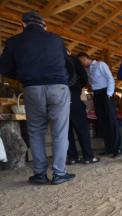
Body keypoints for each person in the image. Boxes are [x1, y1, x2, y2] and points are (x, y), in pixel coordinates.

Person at [0, 11, 75, 185]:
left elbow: (3, 67)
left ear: (23, 24)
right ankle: (59, 173)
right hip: (58, 86)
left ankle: (40, 173)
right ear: (44, 26)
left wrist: (23, 76)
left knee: (35, 131)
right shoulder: (56, 39)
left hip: (32, 88)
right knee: (60, 132)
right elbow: (69, 65)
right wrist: (66, 82)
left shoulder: (14, 41)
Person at [78, 52, 122, 158]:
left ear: (85, 59)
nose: (81, 64)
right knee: (102, 122)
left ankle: (117, 148)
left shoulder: (100, 64)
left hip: (106, 93)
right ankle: (109, 148)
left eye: (80, 61)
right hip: (96, 95)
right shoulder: (87, 70)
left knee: (111, 121)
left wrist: (109, 94)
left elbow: (110, 79)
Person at [65, 49, 99, 165]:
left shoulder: (51, 61)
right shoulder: (73, 60)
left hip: (58, 100)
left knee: (66, 131)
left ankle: (72, 157)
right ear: (68, 52)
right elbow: (84, 78)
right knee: (82, 128)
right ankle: (88, 156)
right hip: (73, 96)